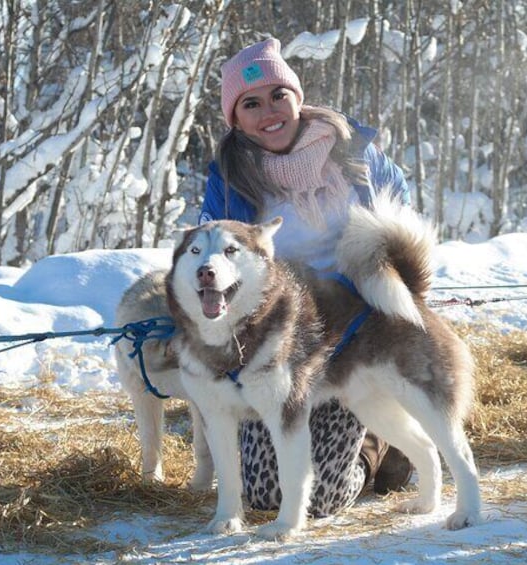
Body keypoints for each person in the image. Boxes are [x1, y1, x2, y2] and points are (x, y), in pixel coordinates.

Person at [199, 37, 413, 517]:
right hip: (275, 341)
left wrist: (390, 289)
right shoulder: (230, 179)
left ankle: (375, 444)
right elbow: (212, 258)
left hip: (354, 333)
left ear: (297, 95)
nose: (269, 111)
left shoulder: (351, 151)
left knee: (320, 501)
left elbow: (401, 222)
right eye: (250, 104)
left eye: (278, 94)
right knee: (266, 496)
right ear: (235, 119)